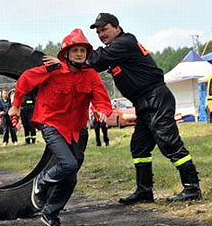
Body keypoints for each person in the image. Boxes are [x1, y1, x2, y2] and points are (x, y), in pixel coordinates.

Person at [86, 13, 202, 204]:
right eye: (98, 32)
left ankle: (192, 188)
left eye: (104, 29)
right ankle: (144, 191)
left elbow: (98, 60)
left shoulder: (124, 42)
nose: (101, 34)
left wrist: (76, 55)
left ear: (116, 27)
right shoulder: (116, 48)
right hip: (143, 102)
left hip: (155, 98)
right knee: (139, 147)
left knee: (169, 143)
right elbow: (98, 64)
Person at [9, 29, 112, 226]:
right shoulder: (53, 70)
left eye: (83, 50)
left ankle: (50, 213)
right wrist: (16, 104)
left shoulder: (91, 76)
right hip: (52, 124)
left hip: (77, 129)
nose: (80, 54)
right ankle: (42, 180)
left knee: (71, 176)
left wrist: (102, 111)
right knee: (68, 164)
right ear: (66, 53)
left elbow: (102, 99)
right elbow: (25, 80)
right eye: (75, 50)